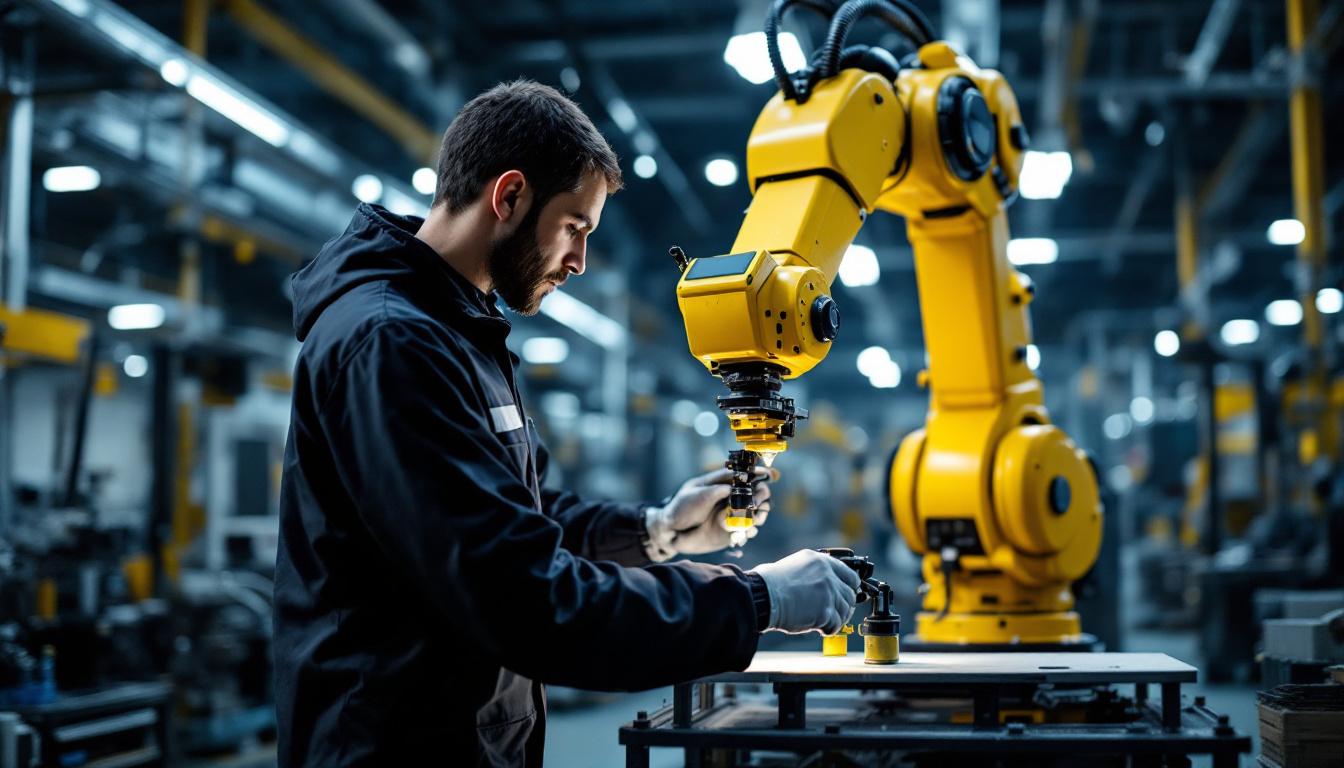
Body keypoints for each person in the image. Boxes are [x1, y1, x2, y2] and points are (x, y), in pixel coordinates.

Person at [274, 80, 860, 767]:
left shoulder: (458, 335)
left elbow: (521, 517)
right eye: (575, 228)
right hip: (392, 746)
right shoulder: (392, 344)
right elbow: (523, 599)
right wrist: (759, 600)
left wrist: (658, 530)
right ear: (510, 196)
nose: (579, 261)